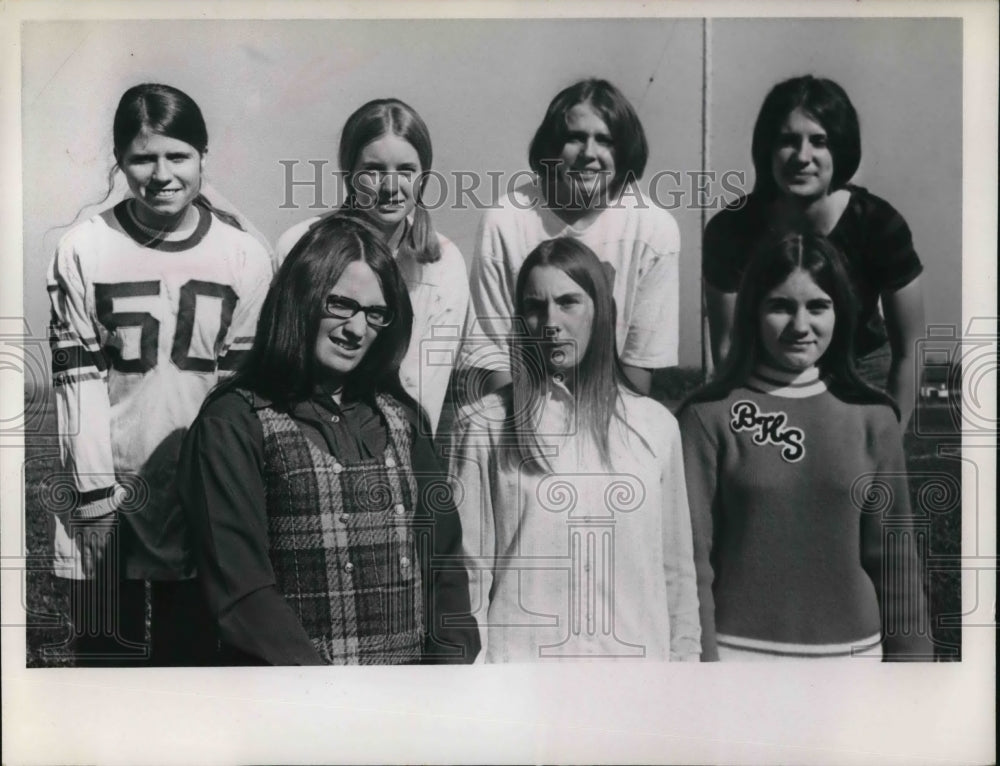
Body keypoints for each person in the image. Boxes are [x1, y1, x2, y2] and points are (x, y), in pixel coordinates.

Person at [178, 214, 480, 665]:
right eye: (340, 305)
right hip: (294, 710)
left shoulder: (404, 420)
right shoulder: (234, 423)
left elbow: (446, 571)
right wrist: (335, 701)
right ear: (301, 296)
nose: (356, 330)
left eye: (376, 314)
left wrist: (441, 685)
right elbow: (242, 596)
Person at [46, 83, 274, 665]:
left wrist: (228, 491)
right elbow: (80, 384)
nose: (162, 173)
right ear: (120, 161)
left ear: (203, 157)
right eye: (143, 157)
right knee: (102, 658)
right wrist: (94, 495)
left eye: (178, 155)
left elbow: (239, 392)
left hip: (201, 483)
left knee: (192, 659)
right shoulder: (83, 248)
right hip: (109, 484)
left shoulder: (244, 254)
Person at [678, 231, 933, 661]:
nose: (800, 326)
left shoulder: (874, 417)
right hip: (739, 660)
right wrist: (701, 668)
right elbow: (690, 566)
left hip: (854, 663)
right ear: (753, 313)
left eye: (818, 306)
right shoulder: (706, 417)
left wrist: (916, 675)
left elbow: (896, 561)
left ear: (842, 313)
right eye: (780, 306)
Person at [450, 237, 700, 662]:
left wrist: (684, 672)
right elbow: (469, 573)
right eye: (535, 306)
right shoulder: (483, 425)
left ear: (599, 312)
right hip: (523, 682)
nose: (551, 321)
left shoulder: (656, 427)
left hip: (635, 681)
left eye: (569, 302)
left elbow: (676, 574)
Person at [703, 75, 925, 427]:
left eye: (819, 141)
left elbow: (910, 347)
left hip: (861, 370)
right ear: (767, 148)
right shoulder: (730, 230)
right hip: (767, 374)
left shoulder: (880, 224)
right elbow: (729, 347)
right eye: (787, 141)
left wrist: (890, 440)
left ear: (841, 148)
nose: (803, 157)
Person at [459, 78, 680, 402]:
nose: (589, 154)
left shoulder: (654, 229)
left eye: (605, 140)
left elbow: (640, 363)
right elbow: (493, 356)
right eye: (575, 138)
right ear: (551, 146)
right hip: (522, 413)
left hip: (611, 415)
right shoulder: (505, 220)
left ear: (625, 149)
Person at [276, 98, 468, 437]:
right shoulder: (299, 245)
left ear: (424, 175)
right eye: (373, 171)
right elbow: (286, 363)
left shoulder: (443, 263)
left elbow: (426, 385)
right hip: (310, 441)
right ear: (348, 172)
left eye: (406, 170)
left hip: (401, 445)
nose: (390, 187)